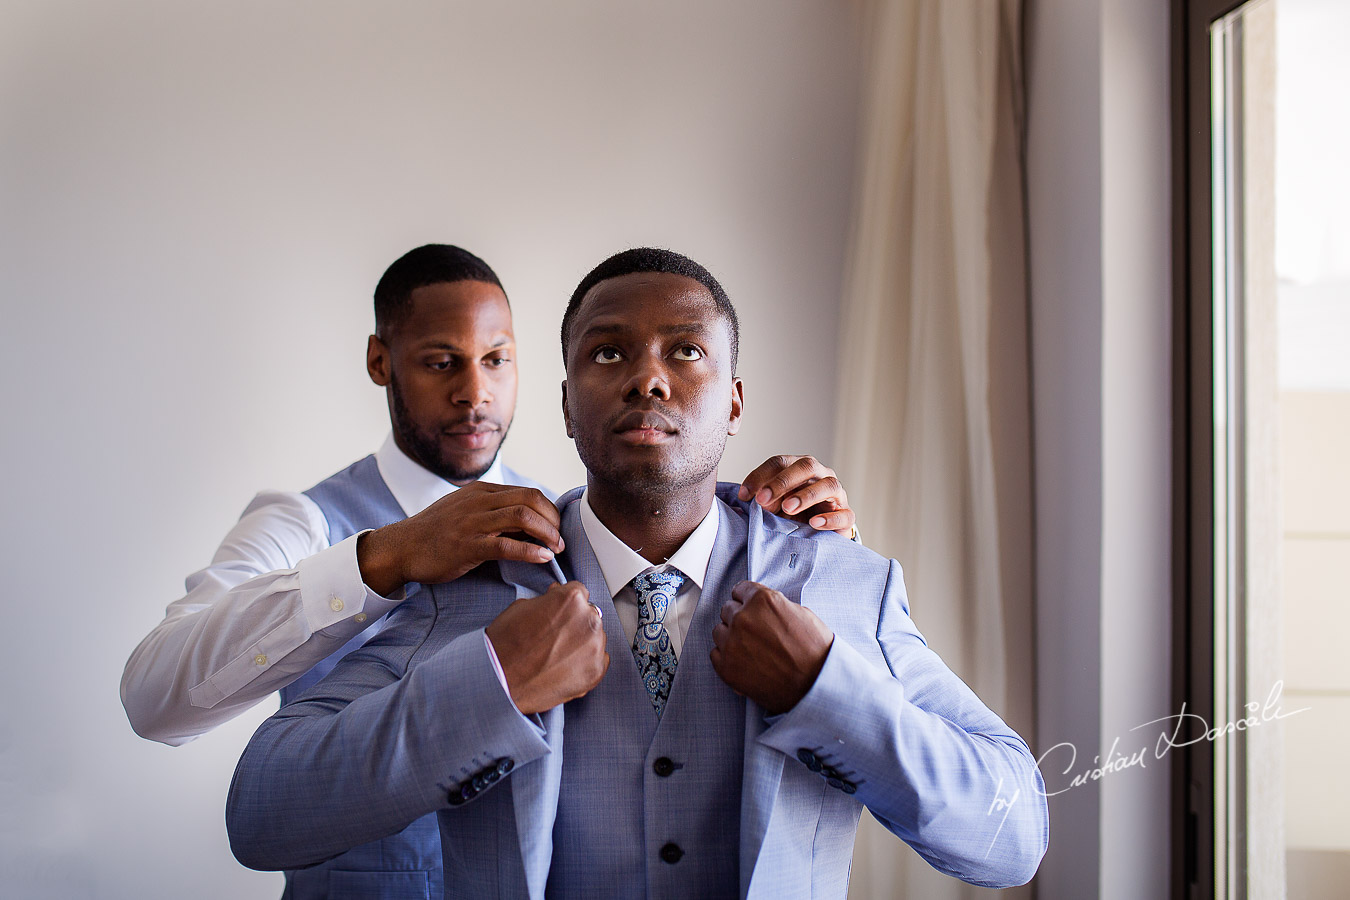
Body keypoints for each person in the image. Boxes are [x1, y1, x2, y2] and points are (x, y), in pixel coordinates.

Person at [225, 247, 1049, 896]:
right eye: (608, 351)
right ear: (565, 404)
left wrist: (827, 692)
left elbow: (1013, 836)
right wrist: (488, 687)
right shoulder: (469, 588)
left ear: (732, 401)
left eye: (685, 350)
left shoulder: (842, 581)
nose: (647, 376)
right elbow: (261, 814)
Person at [120, 244, 861, 899]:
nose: (474, 391)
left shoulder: (569, 532)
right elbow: (156, 699)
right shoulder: (303, 521)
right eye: (441, 362)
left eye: (497, 360)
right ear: (381, 361)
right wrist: (388, 556)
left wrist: (813, 562)